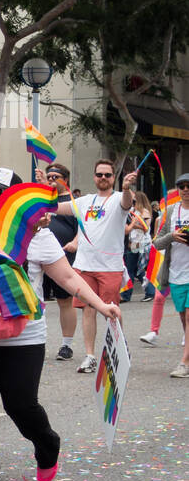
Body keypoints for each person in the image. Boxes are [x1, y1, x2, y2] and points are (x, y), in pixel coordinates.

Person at [0, 168, 122, 481]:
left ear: (18, 199)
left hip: (25, 334)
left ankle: (47, 446)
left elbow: (69, 278)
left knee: (20, 404)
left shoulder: (38, 235)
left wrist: (101, 306)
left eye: (1, 192)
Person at [59, 160, 137, 373]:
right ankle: (90, 356)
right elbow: (56, 207)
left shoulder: (119, 199)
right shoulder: (85, 201)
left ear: (113, 178)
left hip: (110, 267)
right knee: (87, 310)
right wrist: (43, 190)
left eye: (107, 175)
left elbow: (127, 203)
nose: (103, 178)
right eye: (99, 174)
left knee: (111, 311)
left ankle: (119, 350)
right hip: (84, 266)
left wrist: (127, 188)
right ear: (94, 177)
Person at [34, 162, 80, 359]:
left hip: (63, 256)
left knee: (65, 301)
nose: (52, 180)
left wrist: (75, 242)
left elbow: (84, 226)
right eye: (49, 176)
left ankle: (66, 345)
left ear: (66, 180)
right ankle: (35, 343)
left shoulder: (73, 201)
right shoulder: (42, 198)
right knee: (35, 299)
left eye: (56, 177)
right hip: (37, 257)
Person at [150, 172, 189, 376]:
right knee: (183, 317)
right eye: (181, 186)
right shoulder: (172, 212)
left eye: (188, 186)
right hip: (175, 273)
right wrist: (172, 236)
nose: (185, 190)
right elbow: (156, 242)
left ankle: (184, 363)